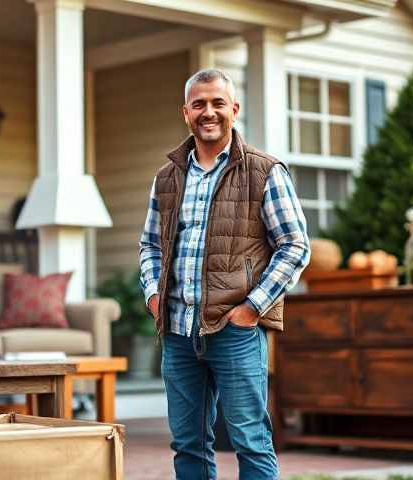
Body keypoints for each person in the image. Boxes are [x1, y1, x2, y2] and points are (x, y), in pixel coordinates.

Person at [138, 68, 311, 480]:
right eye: (199, 104)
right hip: (178, 332)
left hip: (235, 330)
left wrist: (252, 308)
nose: (208, 112)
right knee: (188, 445)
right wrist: (152, 294)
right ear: (186, 113)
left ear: (234, 110)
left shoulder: (265, 171)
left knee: (251, 440)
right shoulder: (166, 178)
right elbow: (150, 245)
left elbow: (295, 246)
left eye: (218, 103)